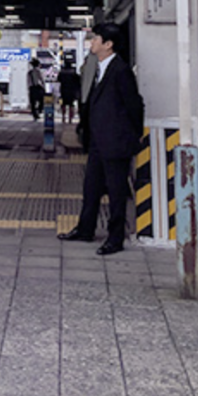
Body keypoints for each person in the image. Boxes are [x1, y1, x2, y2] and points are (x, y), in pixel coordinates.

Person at [59, 23, 144, 255]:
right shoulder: (100, 67)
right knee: (91, 187)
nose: (92, 42)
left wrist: (131, 136)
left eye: (96, 38)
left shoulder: (120, 70)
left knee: (116, 193)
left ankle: (115, 238)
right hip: (98, 141)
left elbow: (135, 106)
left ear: (108, 44)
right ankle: (85, 229)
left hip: (115, 143)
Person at [56, 59, 80, 125]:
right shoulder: (73, 72)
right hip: (71, 90)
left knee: (63, 104)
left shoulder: (62, 71)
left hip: (63, 89)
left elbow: (58, 79)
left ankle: (63, 117)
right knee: (70, 105)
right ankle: (70, 118)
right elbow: (77, 80)